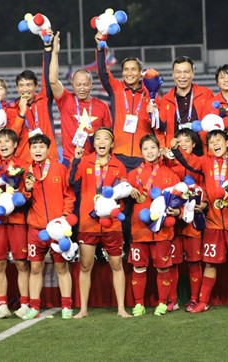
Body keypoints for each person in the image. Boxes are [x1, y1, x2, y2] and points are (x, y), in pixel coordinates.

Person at [172, 129, 228, 314]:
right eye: (211, 143)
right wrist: (176, 148)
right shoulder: (204, 161)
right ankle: (203, 302)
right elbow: (188, 160)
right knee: (210, 264)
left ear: (227, 143)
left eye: (219, 140)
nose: (215, 145)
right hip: (213, 223)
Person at [69, 128, 133, 318]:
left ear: (112, 144)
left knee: (116, 264)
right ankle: (83, 309)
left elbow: (123, 192)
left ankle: (121, 308)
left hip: (111, 223)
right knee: (85, 265)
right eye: (98, 138)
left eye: (106, 138)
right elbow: (71, 182)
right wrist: (76, 159)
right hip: (88, 222)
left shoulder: (118, 165)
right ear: (94, 143)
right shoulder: (85, 161)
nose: (102, 141)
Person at [21, 133, 75, 319]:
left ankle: (67, 306)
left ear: (48, 149)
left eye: (41, 147)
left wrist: (64, 217)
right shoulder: (25, 172)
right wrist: (27, 190)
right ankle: (34, 307)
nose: (38, 150)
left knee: (62, 268)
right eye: (34, 147)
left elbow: (69, 195)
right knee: (35, 268)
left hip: (57, 230)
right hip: (35, 229)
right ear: (29, 150)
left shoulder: (59, 169)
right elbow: (22, 201)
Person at [127, 134, 178, 317]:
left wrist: (177, 211)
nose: (149, 151)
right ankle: (139, 304)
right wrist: (128, 191)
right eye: (145, 148)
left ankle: (162, 303)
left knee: (163, 267)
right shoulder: (132, 175)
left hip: (162, 230)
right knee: (138, 267)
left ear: (159, 150)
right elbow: (121, 199)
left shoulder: (170, 174)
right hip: (139, 229)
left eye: (152, 148)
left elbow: (178, 199)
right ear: (141, 152)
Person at [0, 128, 31, 319]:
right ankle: (2, 305)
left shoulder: (24, 166)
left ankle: (25, 304)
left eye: (7, 141)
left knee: (21, 263)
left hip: (17, 220)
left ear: (15, 144)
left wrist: (20, 194)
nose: (3, 145)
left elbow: (28, 193)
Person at [48, 32, 111, 163]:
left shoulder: (102, 106)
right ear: (72, 85)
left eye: (85, 84)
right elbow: (53, 81)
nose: (82, 88)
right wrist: (54, 53)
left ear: (91, 85)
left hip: (94, 161)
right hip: (69, 160)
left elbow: (108, 135)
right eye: (78, 85)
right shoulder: (65, 99)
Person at [164, 128, 205, 312]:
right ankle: (172, 300)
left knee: (194, 261)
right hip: (173, 221)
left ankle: (195, 299)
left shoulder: (199, 163)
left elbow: (205, 187)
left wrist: (205, 203)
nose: (182, 144)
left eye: (186, 140)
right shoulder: (169, 164)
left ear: (194, 144)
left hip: (192, 220)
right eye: (179, 140)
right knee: (172, 262)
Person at [97, 40, 152, 165]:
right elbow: (102, 72)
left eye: (133, 69)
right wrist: (100, 50)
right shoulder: (116, 88)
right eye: (126, 70)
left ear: (140, 72)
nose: (129, 73)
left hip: (143, 154)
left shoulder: (149, 93)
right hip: (119, 153)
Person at [12, 35, 57, 163]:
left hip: (49, 159)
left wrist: (47, 48)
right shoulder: (12, 107)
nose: (25, 89)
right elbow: (12, 136)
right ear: (17, 88)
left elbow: (46, 75)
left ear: (36, 86)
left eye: (29, 85)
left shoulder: (44, 99)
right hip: (25, 163)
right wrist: (21, 114)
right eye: (21, 85)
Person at [156, 56, 213, 148]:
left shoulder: (206, 94)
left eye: (186, 72)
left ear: (193, 74)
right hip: (175, 152)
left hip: (202, 151)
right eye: (178, 72)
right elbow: (159, 130)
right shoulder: (165, 100)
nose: (182, 76)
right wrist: (163, 148)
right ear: (173, 74)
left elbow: (213, 123)